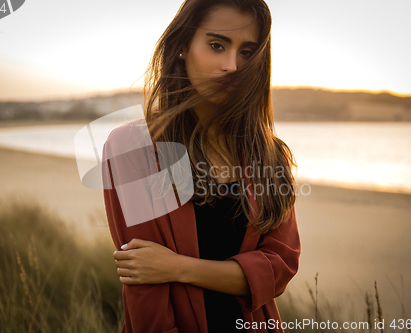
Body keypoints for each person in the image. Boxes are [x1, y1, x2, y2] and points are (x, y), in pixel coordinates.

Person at [102, 0, 300, 332]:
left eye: (247, 52)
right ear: (182, 45)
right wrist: (233, 272)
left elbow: (279, 268)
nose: (232, 65)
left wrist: (177, 267)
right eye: (217, 45)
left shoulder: (270, 155)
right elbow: (144, 284)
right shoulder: (132, 148)